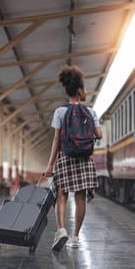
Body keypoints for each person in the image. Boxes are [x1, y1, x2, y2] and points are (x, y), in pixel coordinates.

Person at [45, 65, 102, 251]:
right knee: (80, 197)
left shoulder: (60, 112)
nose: (86, 92)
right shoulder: (91, 112)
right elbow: (99, 135)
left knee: (61, 193)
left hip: (66, 157)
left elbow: (56, 140)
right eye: (84, 89)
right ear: (79, 90)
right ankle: (75, 237)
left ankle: (61, 230)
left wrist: (50, 165)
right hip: (84, 159)